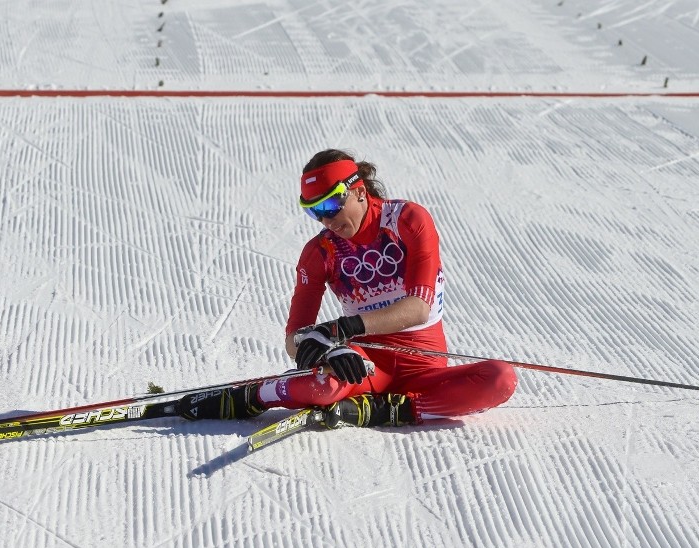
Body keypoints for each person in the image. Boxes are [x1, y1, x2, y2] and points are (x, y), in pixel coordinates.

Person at [179, 149, 517, 427]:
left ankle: (388, 409)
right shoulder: (320, 253)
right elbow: (293, 338)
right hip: (369, 365)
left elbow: (419, 307)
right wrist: (326, 350)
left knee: (501, 379)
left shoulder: (407, 221)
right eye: (314, 212)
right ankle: (250, 396)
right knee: (322, 386)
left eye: (330, 205)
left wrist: (340, 329)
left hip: (424, 365)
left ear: (358, 191)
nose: (326, 221)